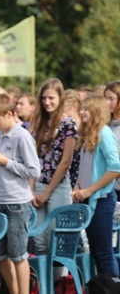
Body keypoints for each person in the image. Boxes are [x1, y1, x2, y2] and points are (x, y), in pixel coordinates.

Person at [0, 94, 40, 294]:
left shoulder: (22, 136)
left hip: (17, 202)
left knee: (18, 255)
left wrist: (4, 162)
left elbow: (34, 171)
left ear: (9, 114)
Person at [72, 95, 120, 276]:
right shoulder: (87, 134)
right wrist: (77, 187)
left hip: (102, 200)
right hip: (88, 199)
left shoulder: (104, 133)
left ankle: (112, 287)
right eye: (81, 108)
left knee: (104, 252)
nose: (82, 112)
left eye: (86, 109)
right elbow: (83, 167)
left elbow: (115, 168)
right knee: (95, 251)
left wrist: (90, 189)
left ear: (96, 111)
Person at [30, 78, 77, 256]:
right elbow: (32, 158)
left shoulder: (68, 124)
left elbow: (66, 162)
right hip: (38, 184)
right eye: (44, 98)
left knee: (56, 241)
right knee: (39, 241)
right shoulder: (39, 122)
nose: (47, 102)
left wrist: (47, 192)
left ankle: (59, 282)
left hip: (57, 187)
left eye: (51, 98)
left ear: (60, 98)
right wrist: (31, 190)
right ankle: (44, 282)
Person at [103, 80, 120, 197]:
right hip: (106, 187)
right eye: (105, 98)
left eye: (111, 98)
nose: (107, 102)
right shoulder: (105, 124)